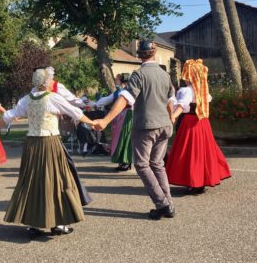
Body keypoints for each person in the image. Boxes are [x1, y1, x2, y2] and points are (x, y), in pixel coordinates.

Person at [0, 68, 94, 238]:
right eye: (50, 80)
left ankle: (33, 223)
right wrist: (94, 123)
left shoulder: (25, 100)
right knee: (56, 180)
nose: (52, 82)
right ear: (46, 82)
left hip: (32, 144)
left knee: (32, 181)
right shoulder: (53, 98)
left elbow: (8, 116)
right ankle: (58, 223)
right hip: (50, 142)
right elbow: (77, 113)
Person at [93, 41, 175, 220]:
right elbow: (171, 100)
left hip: (146, 125)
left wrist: (106, 120)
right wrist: (172, 118)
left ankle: (163, 204)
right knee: (157, 164)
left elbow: (125, 99)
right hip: (165, 125)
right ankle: (168, 202)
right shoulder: (164, 74)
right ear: (154, 53)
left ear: (139, 55)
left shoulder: (139, 75)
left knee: (142, 164)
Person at [166, 59, 231, 194]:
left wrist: (173, 116)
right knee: (202, 151)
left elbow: (181, 106)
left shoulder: (187, 91)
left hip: (190, 123)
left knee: (191, 152)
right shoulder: (203, 90)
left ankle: (195, 182)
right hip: (203, 123)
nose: (185, 78)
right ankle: (200, 182)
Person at [96, 73, 133, 171]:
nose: (115, 81)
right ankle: (122, 161)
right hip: (119, 116)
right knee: (119, 138)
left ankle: (126, 161)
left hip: (128, 115)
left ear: (122, 81)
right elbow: (105, 100)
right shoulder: (118, 92)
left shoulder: (130, 90)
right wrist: (94, 104)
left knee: (125, 138)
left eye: (116, 79)